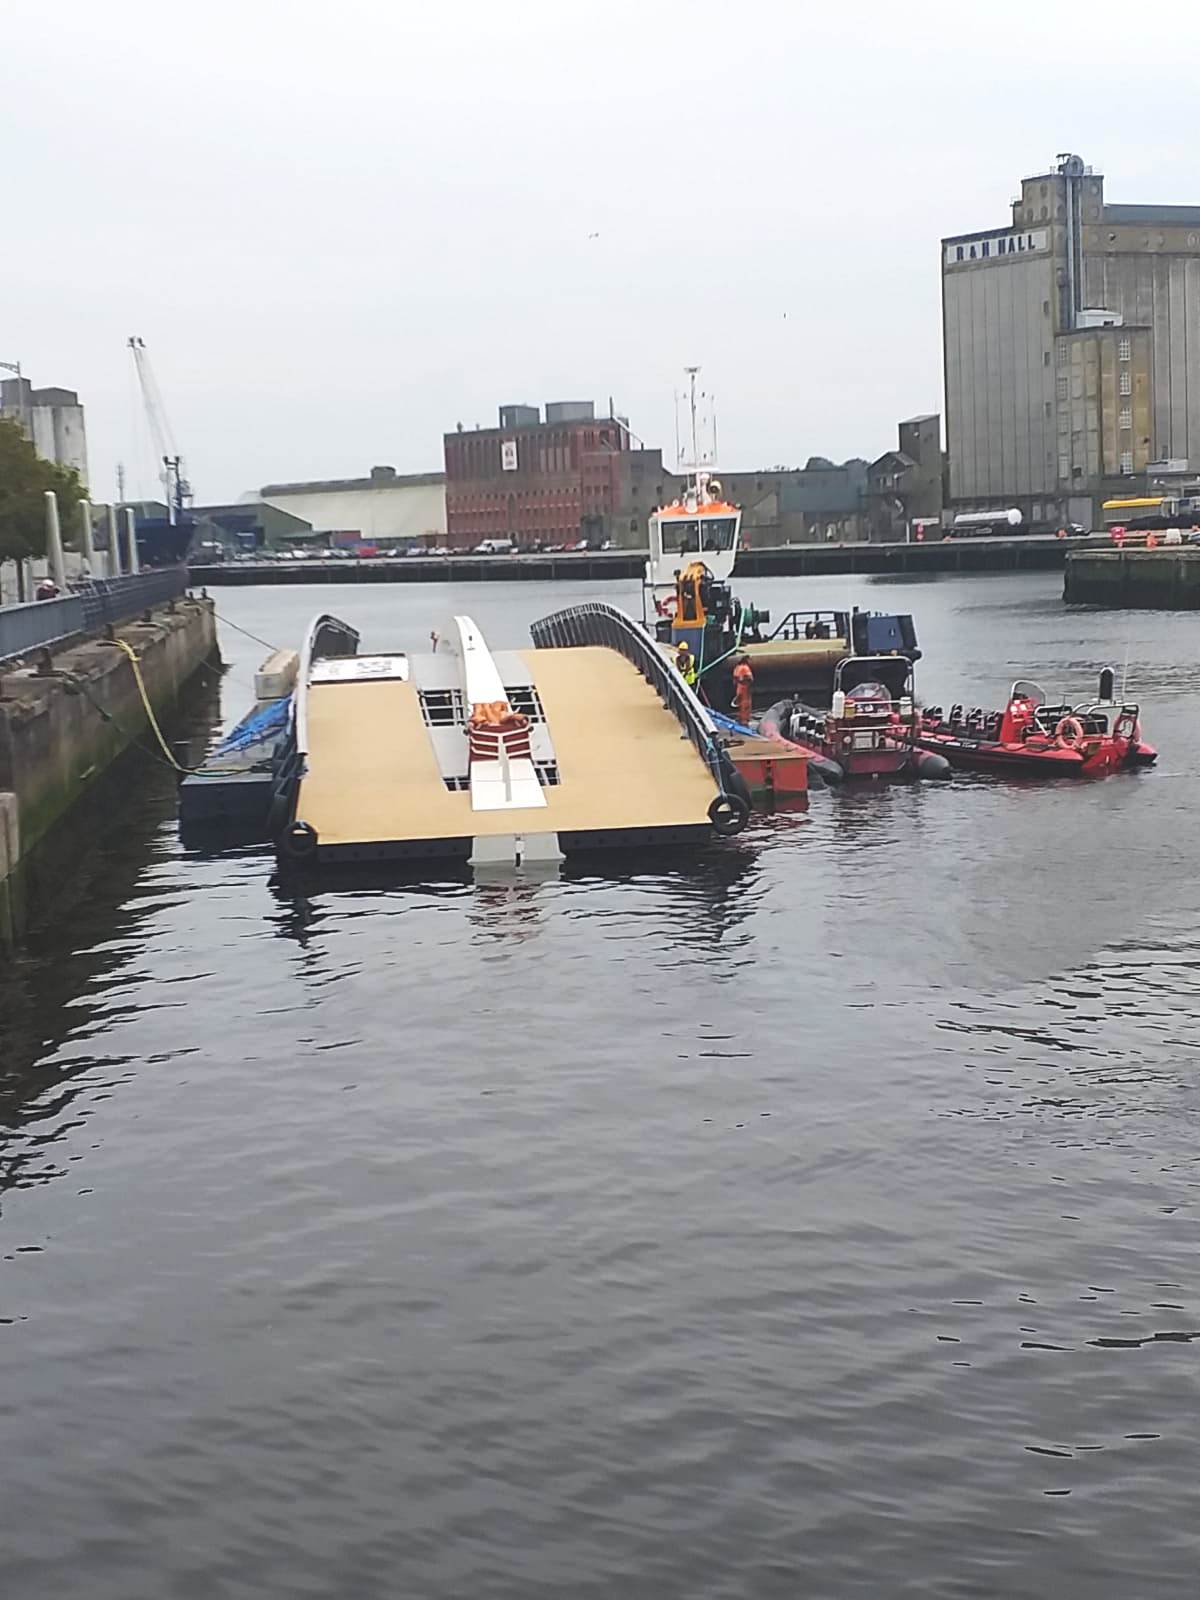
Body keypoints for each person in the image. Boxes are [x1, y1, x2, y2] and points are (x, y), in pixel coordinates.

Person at [732, 654, 754, 724]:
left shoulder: (737, 667)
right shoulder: (745, 668)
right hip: (745, 687)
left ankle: (741, 719)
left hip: (739, 687)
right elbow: (750, 678)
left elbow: (735, 678)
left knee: (740, 704)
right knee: (746, 705)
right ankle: (745, 720)